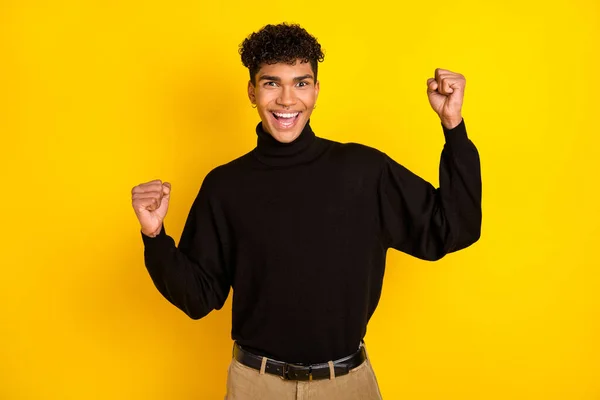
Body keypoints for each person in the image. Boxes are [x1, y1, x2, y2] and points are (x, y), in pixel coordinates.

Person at [131, 22, 481, 399]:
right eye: (271, 83)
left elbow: (453, 228)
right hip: (256, 385)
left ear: (316, 90)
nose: (286, 100)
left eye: (300, 83)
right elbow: (199, 298)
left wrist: (453, 126)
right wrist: (155, 237)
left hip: (346, 385)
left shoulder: (364, 171)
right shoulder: (225, 186)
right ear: (252, 92)